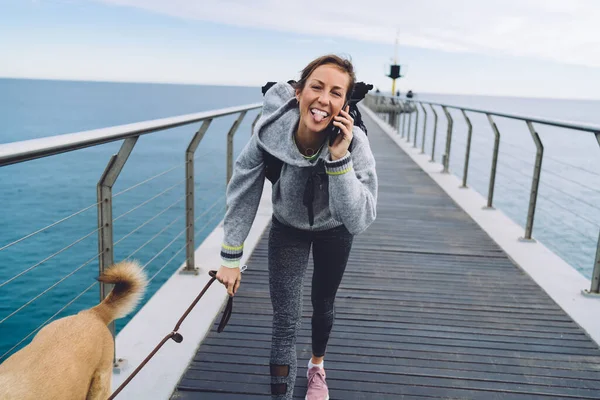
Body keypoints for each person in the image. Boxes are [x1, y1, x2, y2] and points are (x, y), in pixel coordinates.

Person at [216, 54, 378, 400]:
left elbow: (360, 218)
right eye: (316, 87)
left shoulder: (356, 144)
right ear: (298, 93)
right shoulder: (270, 133)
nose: (324, 99)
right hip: (288, 227)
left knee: (323, 304)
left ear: (345, 105)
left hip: (336, 228)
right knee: (285, 320)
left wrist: (339, 159)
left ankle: (316, 366)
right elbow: (243, 186)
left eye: (336, 93)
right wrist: (231, 255)